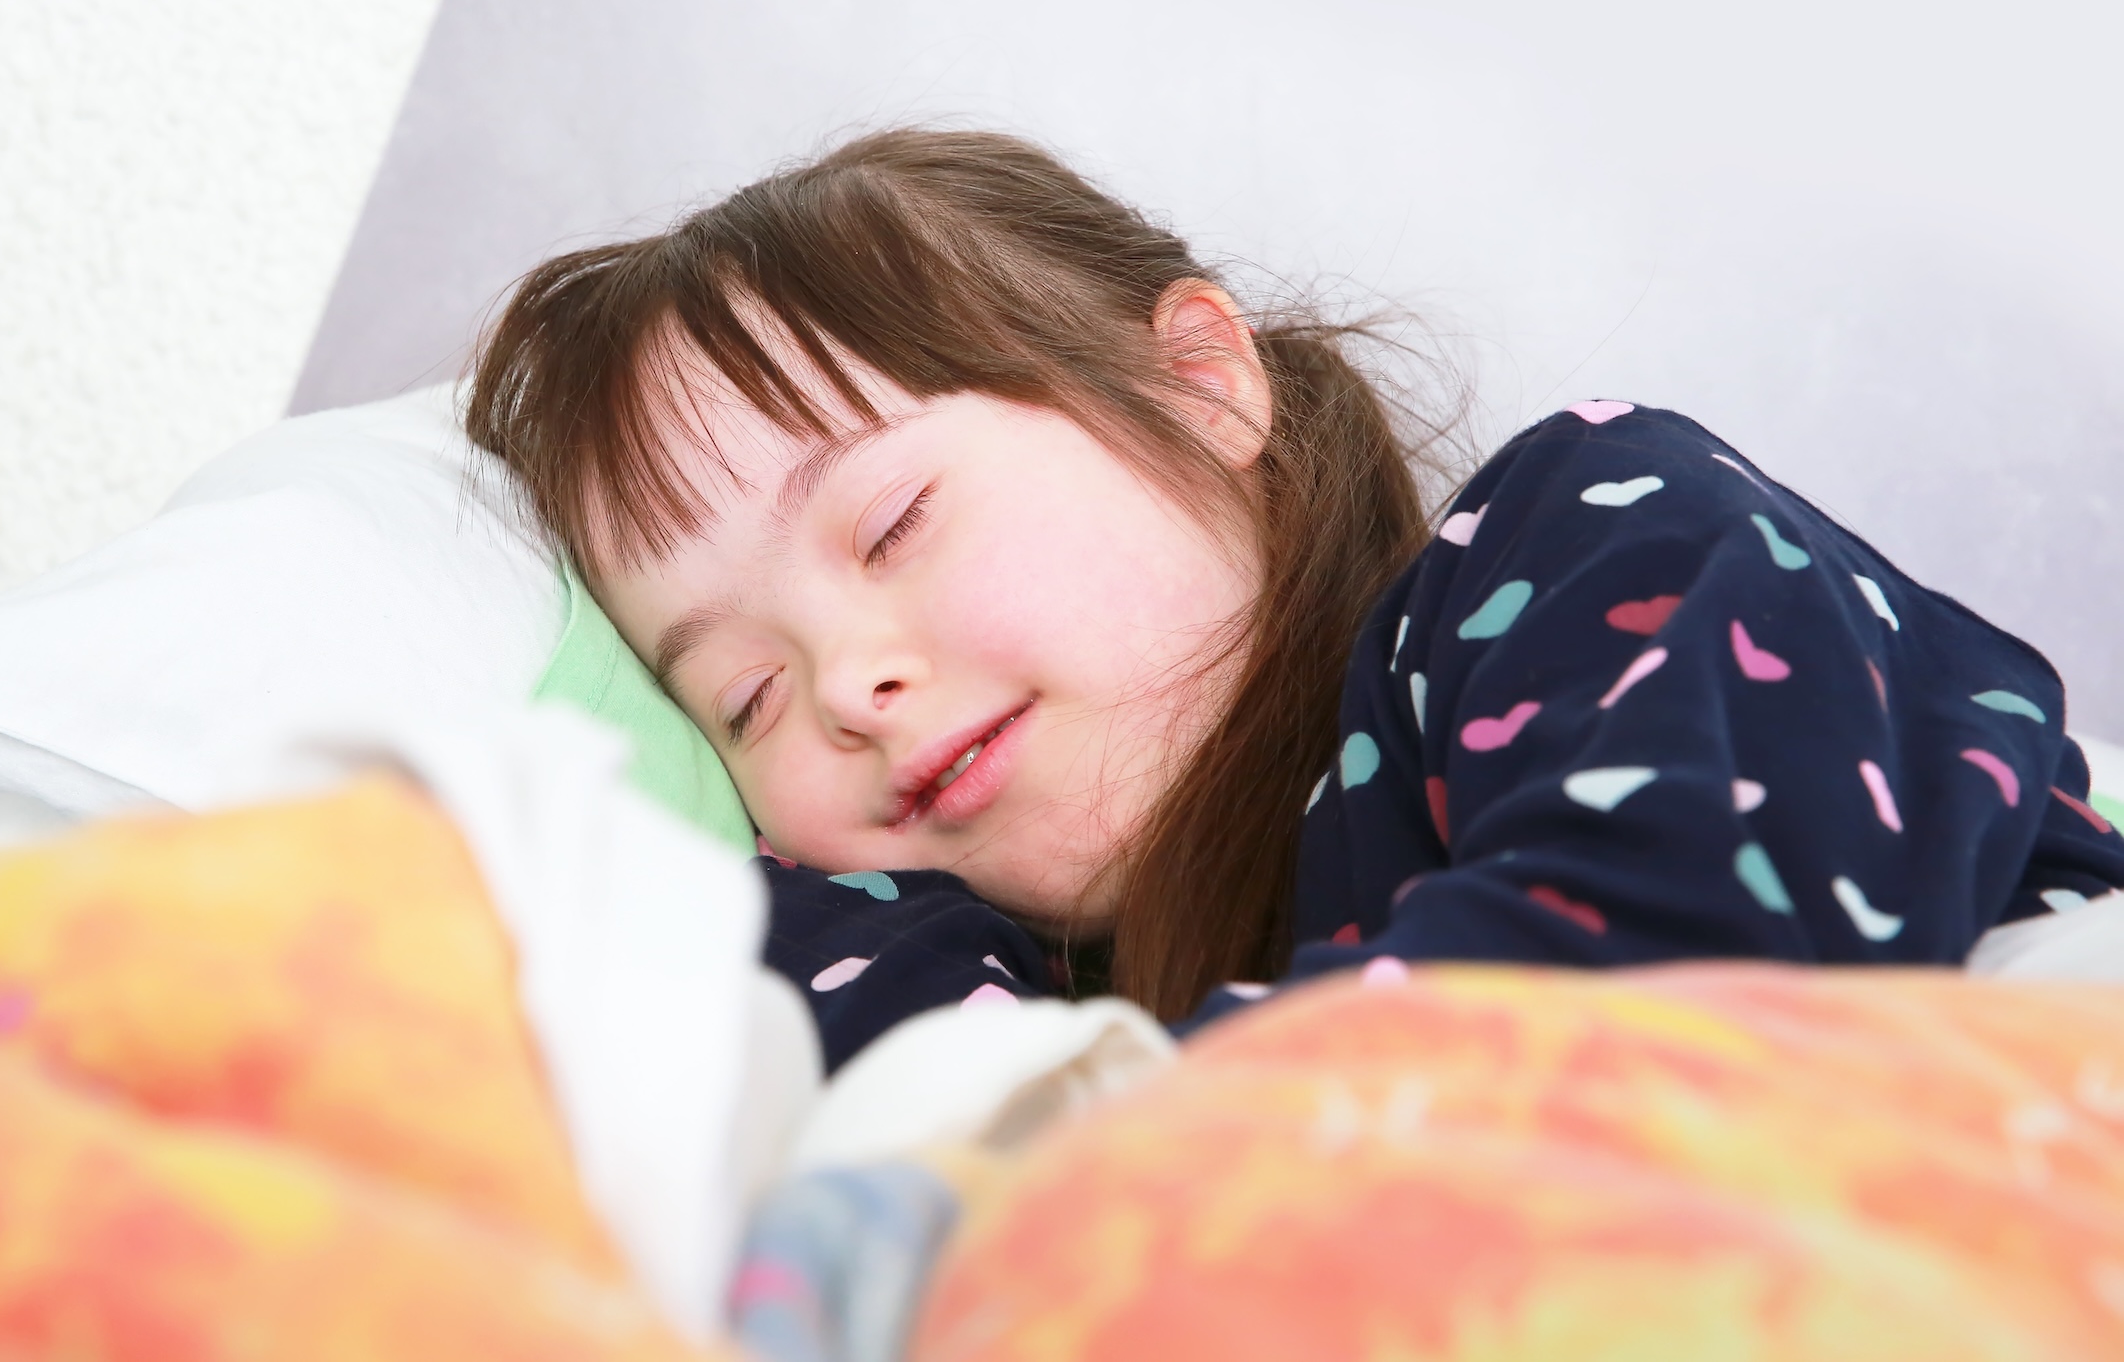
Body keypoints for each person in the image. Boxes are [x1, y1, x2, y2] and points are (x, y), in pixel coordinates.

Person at [466, 129, 2124, 1069]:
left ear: (1197, 388)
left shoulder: (1584, 541)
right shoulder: (1052, 996)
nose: (848, 686)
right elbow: (916, 1155)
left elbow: (1683, 973)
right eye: (739, 699)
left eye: (892, 525)